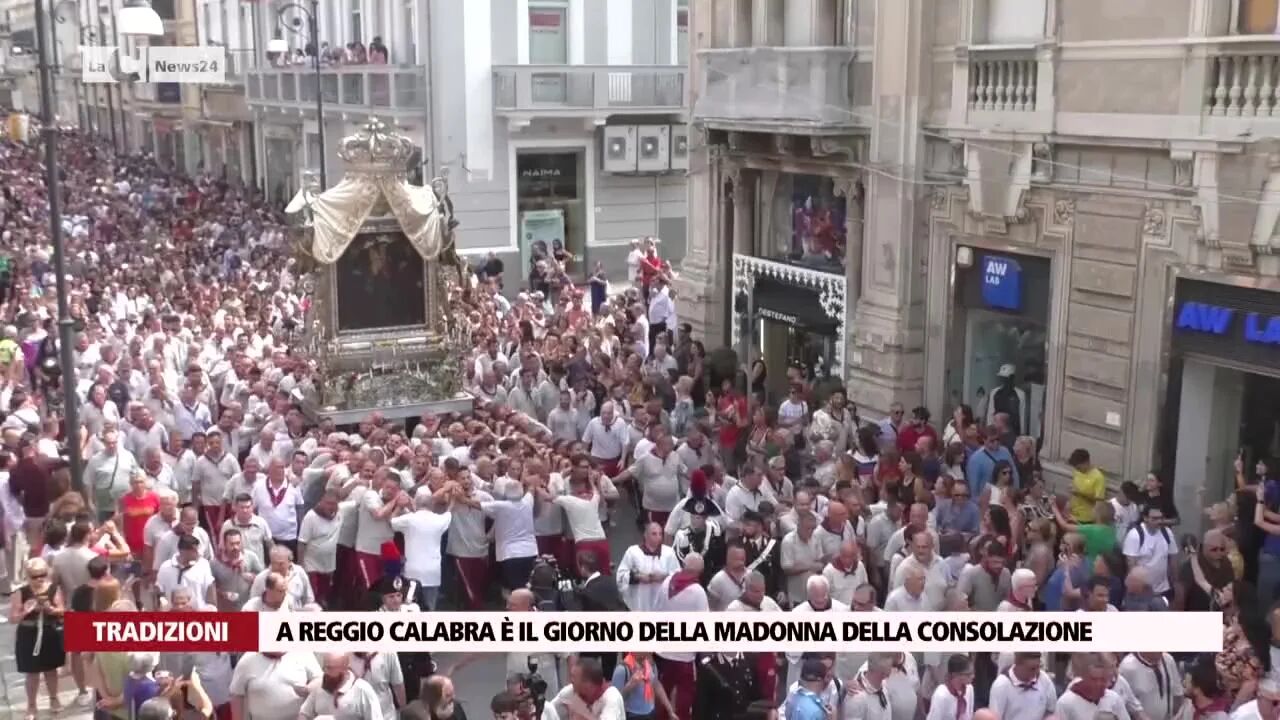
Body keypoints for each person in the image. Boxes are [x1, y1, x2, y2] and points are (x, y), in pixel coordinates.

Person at [11, 556, 66, 719]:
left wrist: (51, 610)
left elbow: (62, 610)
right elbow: (13, 618)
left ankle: (54, 698)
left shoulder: (53, 588)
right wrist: (25, 611)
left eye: (43, 574)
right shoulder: (21, 592)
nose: (40, 579)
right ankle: (31, 705)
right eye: (35, 576)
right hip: (29, 634)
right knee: (32, 673)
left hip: (49, 632)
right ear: (28, 576)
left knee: (51, 670)